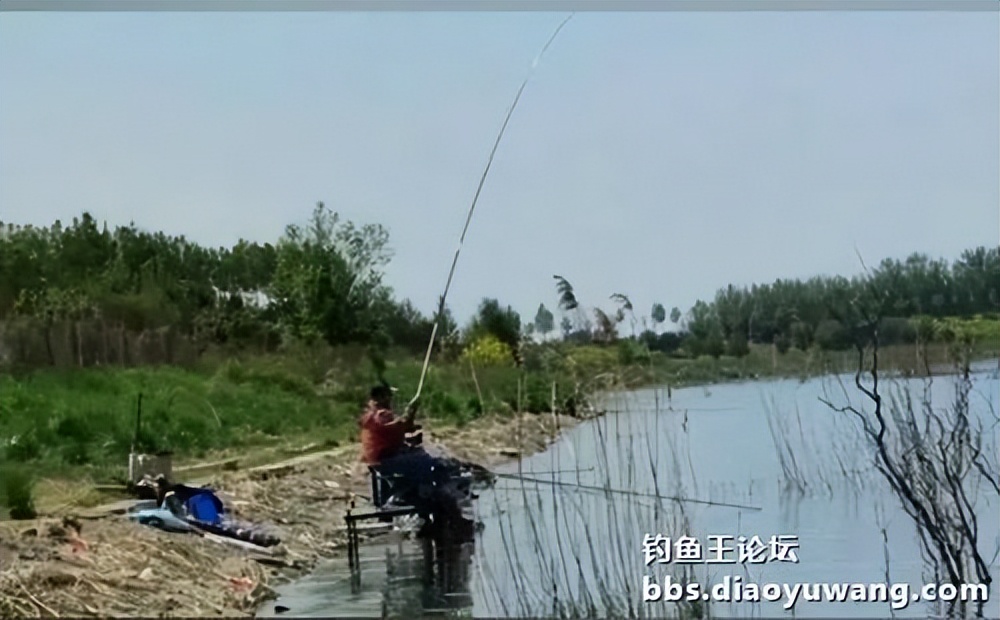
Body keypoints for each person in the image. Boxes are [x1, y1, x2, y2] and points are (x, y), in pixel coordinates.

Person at [358, 384, 476, 540]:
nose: (391, 399)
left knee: (424, 463)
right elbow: (399, 427)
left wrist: (409, 427)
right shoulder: (380, 414)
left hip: (382, 461)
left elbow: (395, 432)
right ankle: (446, 504)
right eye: (388, 396)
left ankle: (431, 508)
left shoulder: (372, 415)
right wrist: (411, 412)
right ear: (379, 398)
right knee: (433, 466)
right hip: (386, 461)